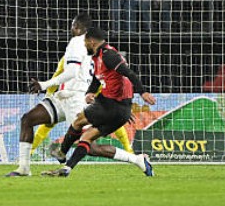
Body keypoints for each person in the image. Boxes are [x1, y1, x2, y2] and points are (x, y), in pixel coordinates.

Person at [6, 14, 135, 177]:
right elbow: (108, 78)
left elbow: (71, 72)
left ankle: (136, 159)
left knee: (90, 146)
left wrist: (44, 85)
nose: (71, 29)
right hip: (65, 97)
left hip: (76, 99)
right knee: (28, 119)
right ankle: (23, 168)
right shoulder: (99, 50)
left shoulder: (77, 42)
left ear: (78, 28)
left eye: (73, 25)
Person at [41, 26, 156, 178]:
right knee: (87, 139)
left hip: (110, 104)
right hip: (119, 109)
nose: (84, 46)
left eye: (85, 43)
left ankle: (62, 153)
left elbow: (129, 74)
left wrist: (143, 92)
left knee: (78, 122)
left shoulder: (109, 55)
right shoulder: (98, 57)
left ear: (92, 42)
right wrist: (91, 92)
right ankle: (67, 168)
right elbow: (98, 79)